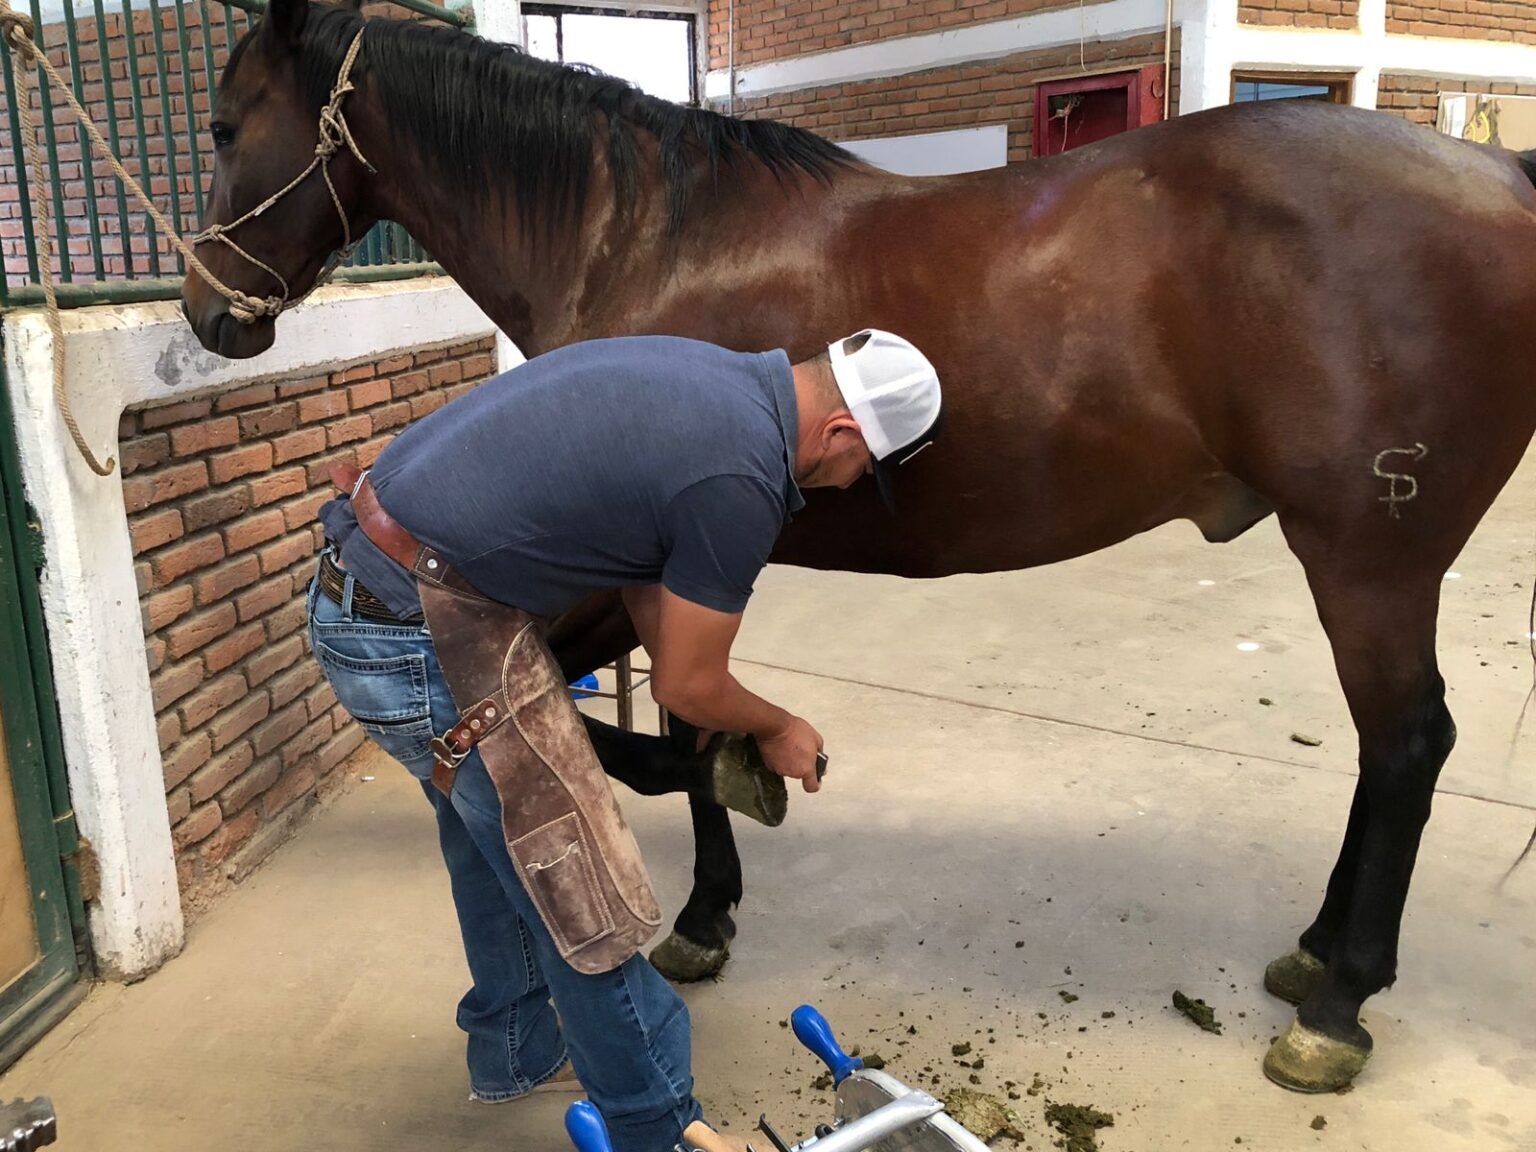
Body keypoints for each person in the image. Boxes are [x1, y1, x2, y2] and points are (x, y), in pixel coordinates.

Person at [306, 330, 942, 1152]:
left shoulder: (720, 381)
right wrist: (777, 725)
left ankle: (516, 1049)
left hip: (383, 588)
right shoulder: (742, 475)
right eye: (868, 470)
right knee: (576, 879)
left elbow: (644, 553)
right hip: (415, 628)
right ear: (843, 435)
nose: (856, 485)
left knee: (492, 836)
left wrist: (705, 687)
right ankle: (660, 1127)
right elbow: (684, 686)